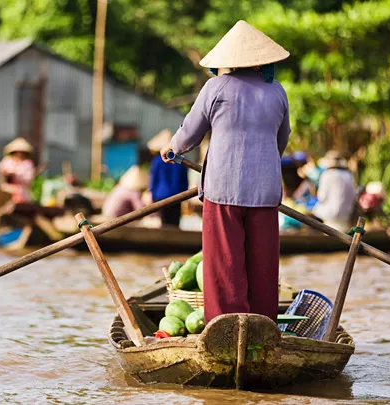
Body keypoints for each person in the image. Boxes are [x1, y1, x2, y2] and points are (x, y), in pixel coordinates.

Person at [159, 21, 291, 323]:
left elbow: (189, 133)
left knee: (224, 263)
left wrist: (172, 149)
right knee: (263, 264)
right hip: (266, 192)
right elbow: (281, 139)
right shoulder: (277, 91)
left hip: (223, 190)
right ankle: (261, 327)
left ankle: (227, 327)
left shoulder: (216, 87)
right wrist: (263, 167)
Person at [148, 129, 189, 227]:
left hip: (161, 196)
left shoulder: (157, 161)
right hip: (177, 196)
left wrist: (152, 194)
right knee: (174, 224)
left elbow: (153, 180)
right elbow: (184, 180)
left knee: (164, 223)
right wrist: (185, 195)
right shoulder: (181, 161)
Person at [311, 151, 357, 231]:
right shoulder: (348, 175)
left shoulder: (327, 175)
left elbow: (321, 197)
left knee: (313, 212)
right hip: (346, 215)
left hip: (330, 215)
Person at [0, 137, 36, 204]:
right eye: (17, 152)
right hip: (5, 189)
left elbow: (29, 178)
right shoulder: (7, 161)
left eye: (21, 152)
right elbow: (0, 173)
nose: (19, 154)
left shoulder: (27, 164)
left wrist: (16, 176)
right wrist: (7, 174)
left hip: (21, 192)